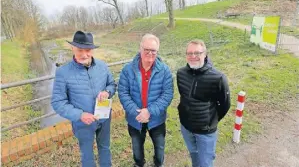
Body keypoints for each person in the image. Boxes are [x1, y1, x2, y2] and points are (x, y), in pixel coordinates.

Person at [51, 30, 116, 167]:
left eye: (88, 50)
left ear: (92, 50)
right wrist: (80, 115)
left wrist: (107, 92)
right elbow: (58, 102)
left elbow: (112, 85)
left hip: (104, 118)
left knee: (105, 148)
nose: (84, 54)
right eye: (80, 50)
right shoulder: (63, 72)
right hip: (82, 124)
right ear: (72, 48)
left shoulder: (103, 66)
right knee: (87, 155)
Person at [118, 34, 174, 167]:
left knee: (159, 148)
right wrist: (137, 112)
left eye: (153, 50)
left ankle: (158, 163)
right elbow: (123, 92)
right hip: (135, 118)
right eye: (146, 49)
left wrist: (149, 112)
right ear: (140, 48)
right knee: (137, 148)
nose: (150, 53)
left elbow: (167, 94)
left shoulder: (164, 70)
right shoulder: (128, 70)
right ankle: (139, 164)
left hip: (157, 119)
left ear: (157, 51)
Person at [176, 39, 230, 167]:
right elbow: (183, 97)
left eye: (197, 53)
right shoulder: (181, 73)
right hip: (186, 128)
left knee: (205, 163)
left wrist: (210, 120)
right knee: (194, 156)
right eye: (189, 53)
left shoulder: (218, 78)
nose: (193, 56)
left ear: (205, 54)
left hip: (205, 132)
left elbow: (225, 105)